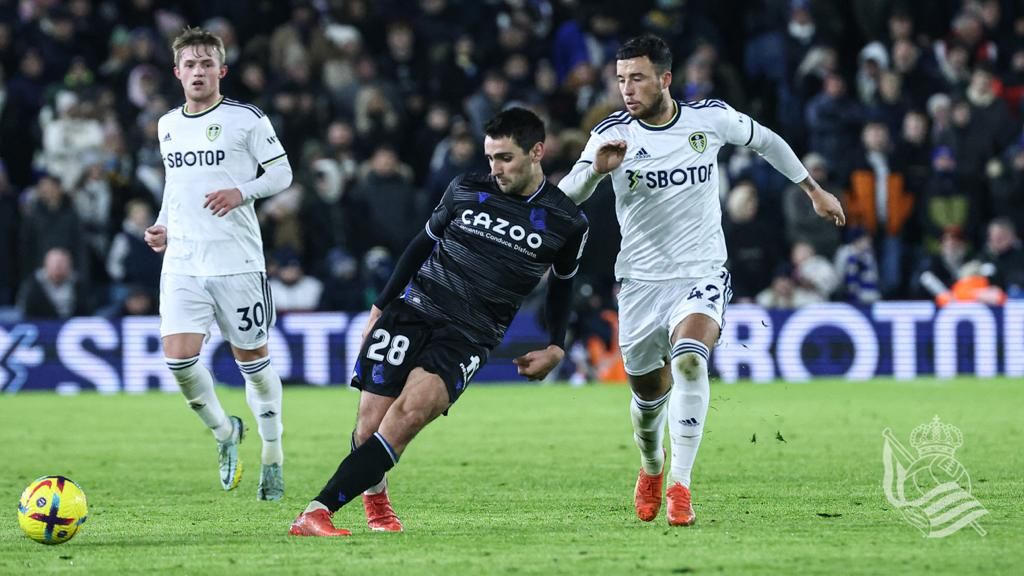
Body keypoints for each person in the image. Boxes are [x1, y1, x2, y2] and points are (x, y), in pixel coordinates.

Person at [559, 34, 845, 527]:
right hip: (641, 282)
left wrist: (812, 190)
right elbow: (565, 199)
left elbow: (768, 141)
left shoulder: (708, 119)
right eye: (621, 79)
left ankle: (681, 488)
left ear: (665, 79)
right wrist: (594, 174)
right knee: (647, 400)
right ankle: (651, 468)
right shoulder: (610, 133)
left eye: (638, 78)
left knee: (691, 361)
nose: (627, 89)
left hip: (702, 272)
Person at [288, 107, 590, 536]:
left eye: (505, 157)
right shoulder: (466, 188)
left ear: (537, 151)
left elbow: (563, 285)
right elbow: (419, 246)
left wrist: (556, 344)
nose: (495, 168)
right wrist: (380, 308)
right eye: (490, 158)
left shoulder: (567, 221)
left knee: (407, 416)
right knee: (368, 425)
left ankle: (316, 512)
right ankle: (376, 503)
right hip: (414, 311)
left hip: (470, 336)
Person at [143, 27, 293, 501]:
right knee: (179, 360)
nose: (198, 71)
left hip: (238, 263)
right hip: (184, 261)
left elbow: (283, 173)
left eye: (207, 63)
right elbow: (176, 186)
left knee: (254, 365)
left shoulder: (246, 119)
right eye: (190, 64)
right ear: (177, 73)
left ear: (221, 70)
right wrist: (162, 224)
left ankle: (272, 455)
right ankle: (226, 432)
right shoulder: (167, 125)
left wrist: (241, 192)